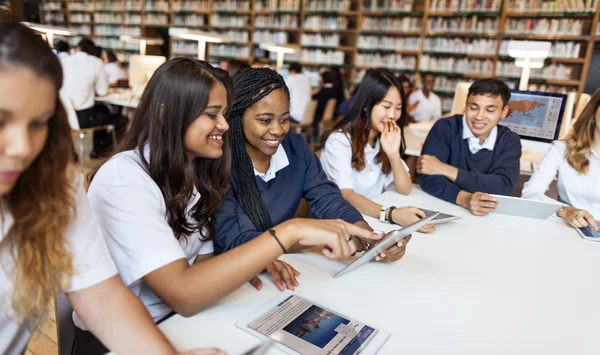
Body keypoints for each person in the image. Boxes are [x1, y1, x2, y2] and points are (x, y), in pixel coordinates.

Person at [84, 58, 379, 351]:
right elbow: (183, 293)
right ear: (167, 115)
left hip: (183, 322)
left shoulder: (192, 175)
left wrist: (255, 262)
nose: (224, 125)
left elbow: (205, 262)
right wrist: (290, 233)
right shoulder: (125, 179)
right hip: (127, 337)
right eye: (213, 114)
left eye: (225, 114)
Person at [0, 21, 211, 355]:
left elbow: (101, 295)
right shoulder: (124, 177)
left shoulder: (54, 184)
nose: (22, 148)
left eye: (38, 122)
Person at [214, 67, 406, 290]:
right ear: (238, 118)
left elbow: (328, 199)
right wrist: (264, 258)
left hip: (288, 273)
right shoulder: (220, 161)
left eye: (284, 119)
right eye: (265, 120)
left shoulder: (296, 149)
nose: (278, 130)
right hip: (236, 276)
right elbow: (231, 233)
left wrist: (367, 235)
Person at [318, 69, 436, 233]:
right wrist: (391, 214)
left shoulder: (382, 138)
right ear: (367, 105)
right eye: (386, 106)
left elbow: (405, 188)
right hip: (341, 226)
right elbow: (346, 195)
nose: (392, 115)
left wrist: (394, 154)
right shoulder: (339, 141)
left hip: (370, 220)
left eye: (398, 108)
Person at [417, 78, 521, 216]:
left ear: (504, 111)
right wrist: (465, 199)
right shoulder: (445, 128)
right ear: (465, 105)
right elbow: (429, 179)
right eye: (473, 107)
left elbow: (503, 187)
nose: (479, 116)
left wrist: (444, 169)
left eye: (490, 110)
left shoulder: (509, 140)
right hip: (442, 207)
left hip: (487, 215)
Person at [522, 88, 600, 231]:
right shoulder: (561, 149)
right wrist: (565, 210)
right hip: (571, 231)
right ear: (594, 110)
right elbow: (530, 193)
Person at [61, 37, 109, 157]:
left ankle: (70, 152)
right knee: (109, 114)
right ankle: (99, 151)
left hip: (62, 115)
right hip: (83, 118)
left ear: (77, 49)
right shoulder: (96, 62)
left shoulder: (64, 61)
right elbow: (102, 91)